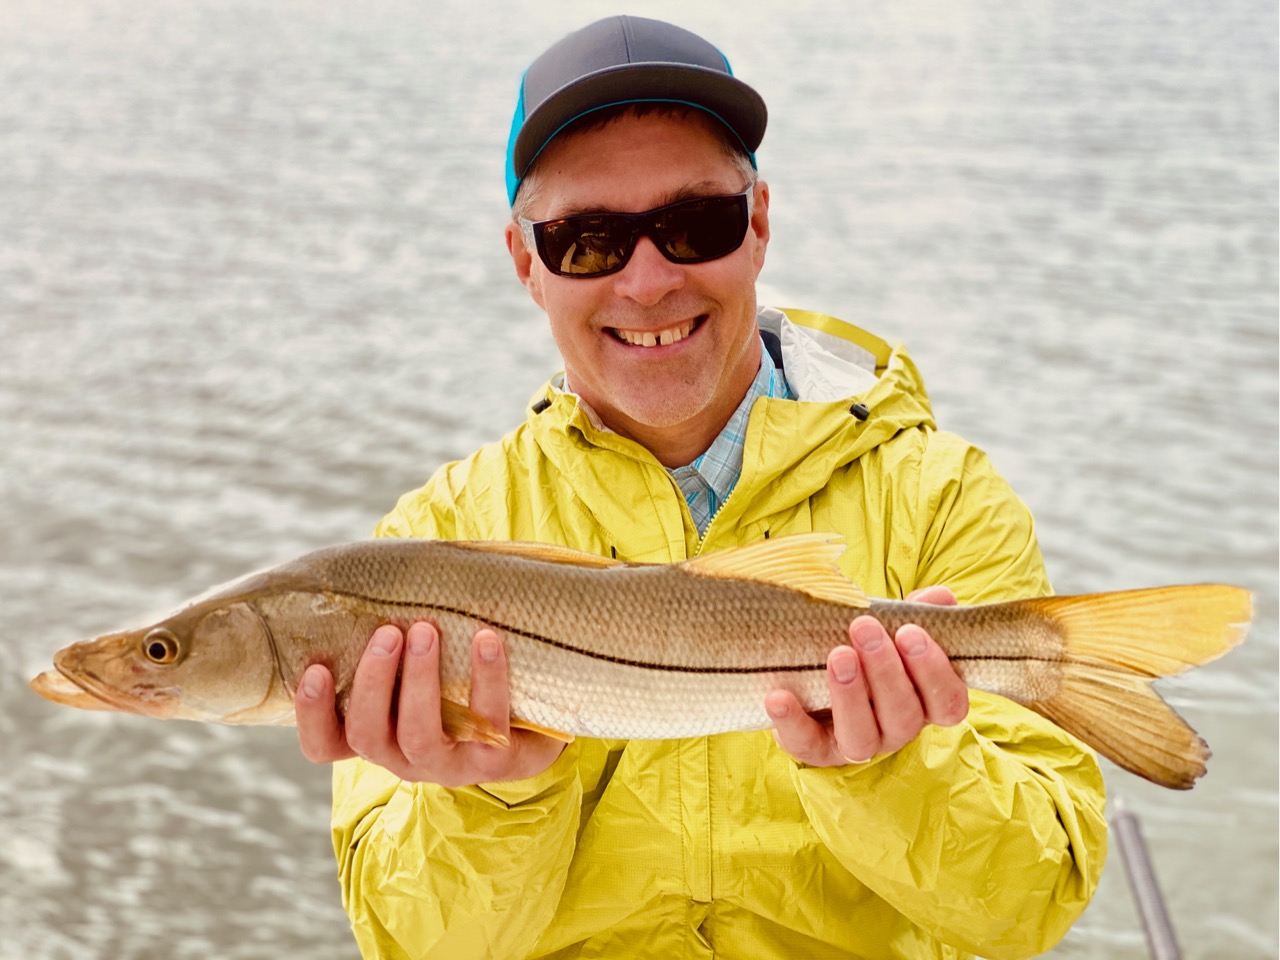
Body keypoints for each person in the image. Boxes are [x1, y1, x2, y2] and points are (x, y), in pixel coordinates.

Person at [294, 16, 1106, 960]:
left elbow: (1033, 906)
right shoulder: (431, 540)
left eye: (695, 225)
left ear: (758, 225)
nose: (647, 280)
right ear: (526, 264)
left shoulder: (942, 497)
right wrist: (494, 793)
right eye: (587, 240)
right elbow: (407, 944)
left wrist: (890, 774)